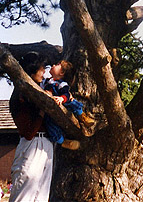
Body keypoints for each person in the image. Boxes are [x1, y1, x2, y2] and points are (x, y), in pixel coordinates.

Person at [9, 52, 53, 202]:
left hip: (46, 145)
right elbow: (29, 133)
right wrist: (42, 110)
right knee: (24, 194)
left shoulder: (38, 92)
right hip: (32, 145)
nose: (44, 73)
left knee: (41, 195)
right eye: (41, 69)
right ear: (31, 71)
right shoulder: (19, 97)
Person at [42, 60, 95, 148]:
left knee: (71, 101)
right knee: (49, 123)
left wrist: (62, 98)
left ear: (62, 72)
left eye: (57, 64)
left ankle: (82, 115)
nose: (53, 64)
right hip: (52, 107)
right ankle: (63, 141)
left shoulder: (62, 84)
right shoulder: (47, 81)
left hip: (63, 101)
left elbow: (66, 94)